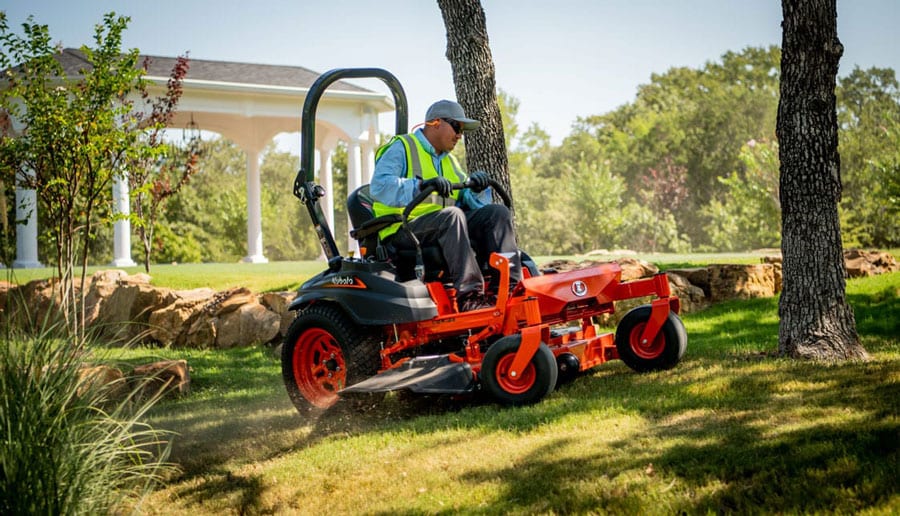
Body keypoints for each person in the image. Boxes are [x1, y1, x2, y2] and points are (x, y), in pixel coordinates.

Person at [370, 99, 521, 311]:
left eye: (462, 130)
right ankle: (470, 297)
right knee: (452, 216)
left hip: (442, 226)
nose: (460, 135)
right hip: (402, 230)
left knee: (496, 212)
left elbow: (470, 202)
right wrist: (421, 185)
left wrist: (476, 188)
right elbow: (380, 186)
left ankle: (510, 288)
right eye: (457, 127)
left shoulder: (449, 161)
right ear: (436, 123)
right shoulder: (401, 147)